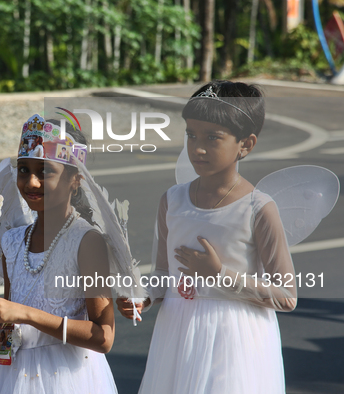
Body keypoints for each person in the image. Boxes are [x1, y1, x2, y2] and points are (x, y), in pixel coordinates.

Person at [117, 81, 297, 394]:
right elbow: (163, 273)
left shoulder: (258, 209)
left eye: (213, 137)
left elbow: (286, 296)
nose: (198, 148)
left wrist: (219, 274)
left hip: (235, 339)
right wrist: (143, 298)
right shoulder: (172, 200)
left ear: (246, 144)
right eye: (191, 135)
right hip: (177, 333)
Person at [0, 115, 118, 394]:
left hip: (68, 378)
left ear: (75, 180)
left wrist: (26, 314)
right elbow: (12, 318)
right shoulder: (12, 242)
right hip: (14, 379)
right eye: (24, 169)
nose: (31, 182)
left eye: (45, 172)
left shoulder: (86, 241)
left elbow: (104, 337)